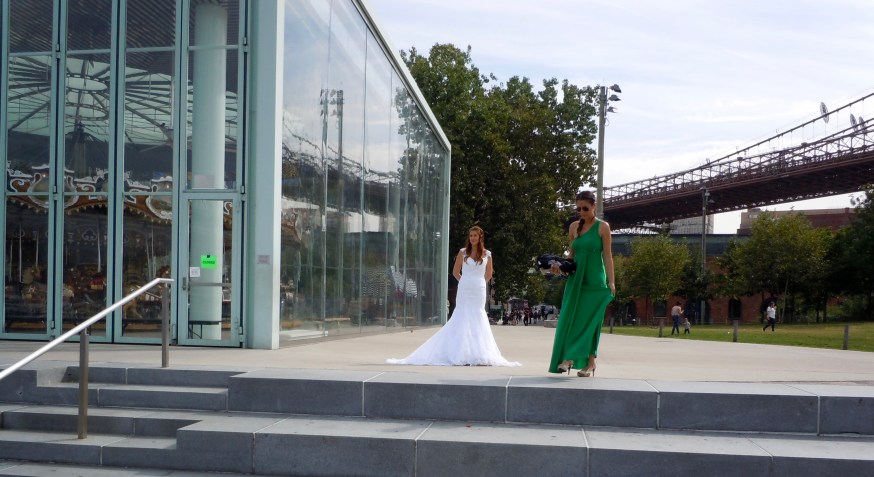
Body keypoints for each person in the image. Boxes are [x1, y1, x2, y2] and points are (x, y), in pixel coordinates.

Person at [387, 226, 520, 367]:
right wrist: (465, 281)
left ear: (480, 237)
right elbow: (456, 272)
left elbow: (489, 273)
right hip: (465, 288)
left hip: (478, 289)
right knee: (462, 315)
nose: (472, 238)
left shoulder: (487, 254)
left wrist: (480, 283)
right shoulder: (463, 252)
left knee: (478, 315)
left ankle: (479, 353)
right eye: (471, 235)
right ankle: (460, 352)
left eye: (475, 235)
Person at [548, 190, 615, 377]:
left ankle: (570, 358)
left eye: (585, 208)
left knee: (590, 321)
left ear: (594, 206)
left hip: (595, 280)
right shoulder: (573, 227)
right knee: (573, 319)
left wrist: (611, 282)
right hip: (576, 279)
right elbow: (571, 255)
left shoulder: (603, 227)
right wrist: (560, 267)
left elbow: (608, 256)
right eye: (578, 209)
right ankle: (590, 363)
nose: (582, 212)